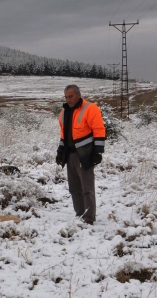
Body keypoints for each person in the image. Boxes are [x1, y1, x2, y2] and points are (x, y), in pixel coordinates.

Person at [56, 85, 106, 225]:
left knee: (87, 188)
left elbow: (99, 130)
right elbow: (63, 135)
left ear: (79, 95)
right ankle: (80, 214)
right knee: (74, 188)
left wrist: (98, 152)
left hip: (85, 154)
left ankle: (89, 217)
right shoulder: (64, 112)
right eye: (66, 97)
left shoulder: (90, 108)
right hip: (70, 154)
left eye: (71, 96)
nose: (68, 99)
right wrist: (60, 152)